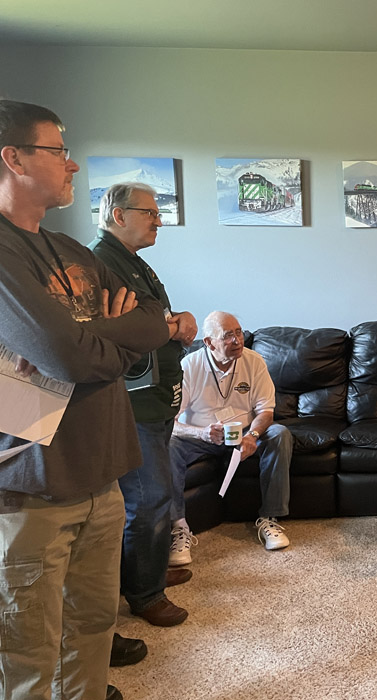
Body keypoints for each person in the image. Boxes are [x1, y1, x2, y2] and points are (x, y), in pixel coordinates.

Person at [0, 99, 169, 700]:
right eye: (59, 152)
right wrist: (97, 341)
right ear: (13, 157)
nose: (72, 168)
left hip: (104, 475)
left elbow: (153, 326)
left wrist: (92, 340)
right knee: (29, 651)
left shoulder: (74, 253)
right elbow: (64, 354)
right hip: (32, 484)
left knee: (93, 628)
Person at [89, 182, 199, 628]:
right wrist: (170, 325)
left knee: (152, 496)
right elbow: (122, 326)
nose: (159, 220)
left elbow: (149, 319)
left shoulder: (135, 264)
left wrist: (172, 322)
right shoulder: (98, 263)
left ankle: (147, 570)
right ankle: (144, 593)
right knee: (147, 498)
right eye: (150, 212)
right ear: (119, 215)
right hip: (133, 405)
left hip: (156, 399)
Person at [169, 311, 293, 554]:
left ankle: (270, 519)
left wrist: (253, 436)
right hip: (201, 436)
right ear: (209, 342)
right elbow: (169, 422)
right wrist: (202, 433)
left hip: (244, 432)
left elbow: (266, 412)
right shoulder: (189, 366)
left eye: (238, 332)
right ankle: (179, 528)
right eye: (228, 336)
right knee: (167, 444)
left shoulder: (254, 361)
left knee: (280, 434)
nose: (237, 340)